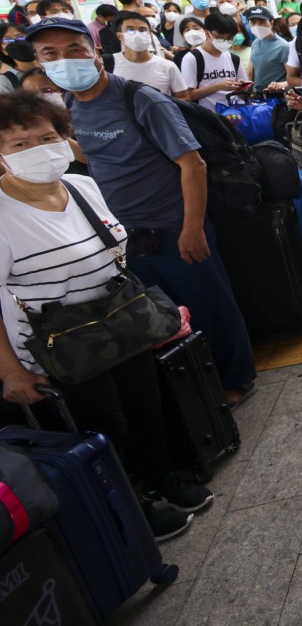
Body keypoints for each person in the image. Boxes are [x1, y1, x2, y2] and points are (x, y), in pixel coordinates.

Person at [0, 91, 215, 541]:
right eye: (20, 144)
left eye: (48, 136)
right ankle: (129, 511)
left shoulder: (81, 186)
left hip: (119, 326)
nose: (39, 149)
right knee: (103, 427)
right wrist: (11, 371)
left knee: (145, 406)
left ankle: (162, 479)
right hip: (61, 346)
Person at [26, 17, 257, 405]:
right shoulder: (68, 105)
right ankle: (196, 383)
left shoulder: (138, 98)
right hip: (125, 236)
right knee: (165, 316)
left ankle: (236, 378)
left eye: (74, 50)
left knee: (209, 307)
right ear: (39, 62)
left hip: (175, 229)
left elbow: (192, 165)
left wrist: (192, 227)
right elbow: (94, 154)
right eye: (51, 54)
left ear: (96, 52)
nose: (64, 61)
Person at [180, 11, 249, 112]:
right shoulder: (193, 58)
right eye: (220, 37)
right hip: (207, 117)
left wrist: (242, 86)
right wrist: (218, 87)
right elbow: (188, 95)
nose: (225, 41)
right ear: (207, 33)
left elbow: (244, 89)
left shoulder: (233, 59)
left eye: (230, 38)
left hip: (235, 114)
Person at [110, 11, 190, 98]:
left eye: (143, 30)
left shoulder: (167, 66)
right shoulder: (109, 64)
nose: (137, 34)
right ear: (120, 36)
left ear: (150, 34)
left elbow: (184, 97)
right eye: (130, 30)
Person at [247, 6, 289, 92]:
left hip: (277, 97)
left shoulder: (283, 46)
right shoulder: (255, 43)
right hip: (257, 96)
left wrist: (280, 85)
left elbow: (293, 78)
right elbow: (249, 73)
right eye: (253, 22)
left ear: (271, 23)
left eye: (262, 22)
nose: (257, 26)